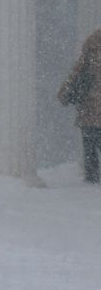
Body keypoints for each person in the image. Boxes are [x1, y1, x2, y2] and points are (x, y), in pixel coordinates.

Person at [58, 29, 101, 183]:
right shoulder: (92, 48)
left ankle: (92, 178)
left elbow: (77, 73)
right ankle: (92, 177)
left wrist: (64, 93)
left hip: (89, 107)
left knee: (90, 145)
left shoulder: (91, 48)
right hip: (91, 106)